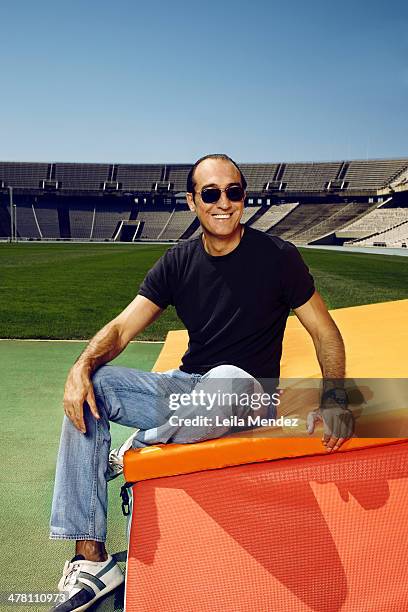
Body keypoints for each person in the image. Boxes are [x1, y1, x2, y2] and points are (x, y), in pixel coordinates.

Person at [49, 153, 354, 611]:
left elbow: (324, 329)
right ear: (193, 201)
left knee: (228, 379)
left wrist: (334, 399)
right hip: (188, 388)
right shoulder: (178, 262)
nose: (223, 203)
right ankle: (91, 557)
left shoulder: (278, 257)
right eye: (211, 193)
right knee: (98, 383)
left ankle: (141, 446)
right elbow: (122, 328)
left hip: (246, 393)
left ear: (244, 199)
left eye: (234, 192)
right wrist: (80, 369)